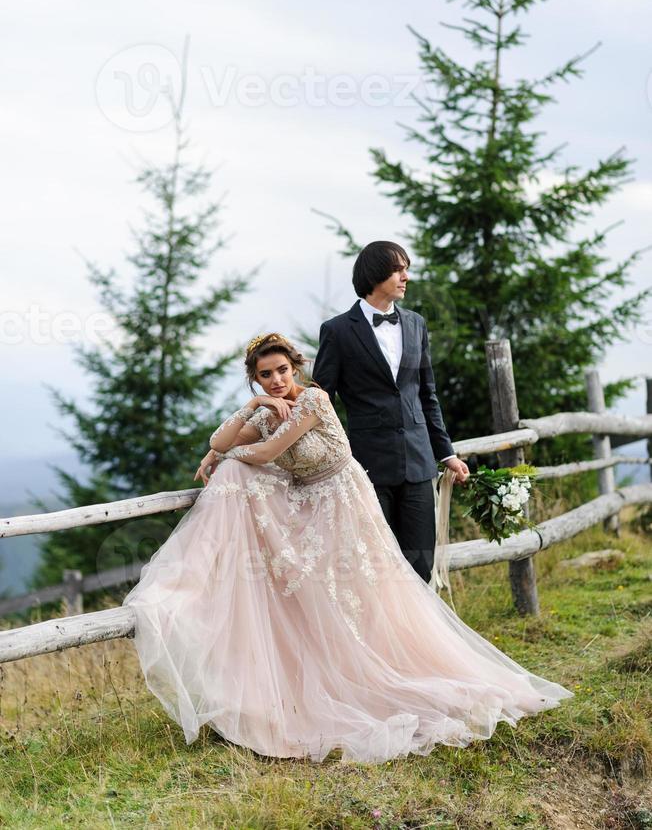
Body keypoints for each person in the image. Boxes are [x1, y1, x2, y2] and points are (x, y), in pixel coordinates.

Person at [122, 332, 573, 764]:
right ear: (255, 379)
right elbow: (218, 440)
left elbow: (261, 453)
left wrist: (226, 455)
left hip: (342, 498)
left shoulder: (314, 399)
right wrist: (250, 412)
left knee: (362, 593)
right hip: (307, 505)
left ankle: (385, 672)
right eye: (265, 376)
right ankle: (321, 676)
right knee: (315, 595)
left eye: (282, 370)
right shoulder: (264, 409)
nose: (277, 380)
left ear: (295, 367)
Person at [312, 240, 469, 583]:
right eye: (398, 269)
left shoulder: (416, 324)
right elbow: (320, 401)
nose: (406, 277)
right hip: (367, 467)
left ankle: (417, 637)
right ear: (375, 273)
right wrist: (335, 456)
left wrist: (446, 454)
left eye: (405, 269)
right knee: (377, 566)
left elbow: (427, 396)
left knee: (420, 565)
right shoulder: (337, 331)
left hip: (418, 463)